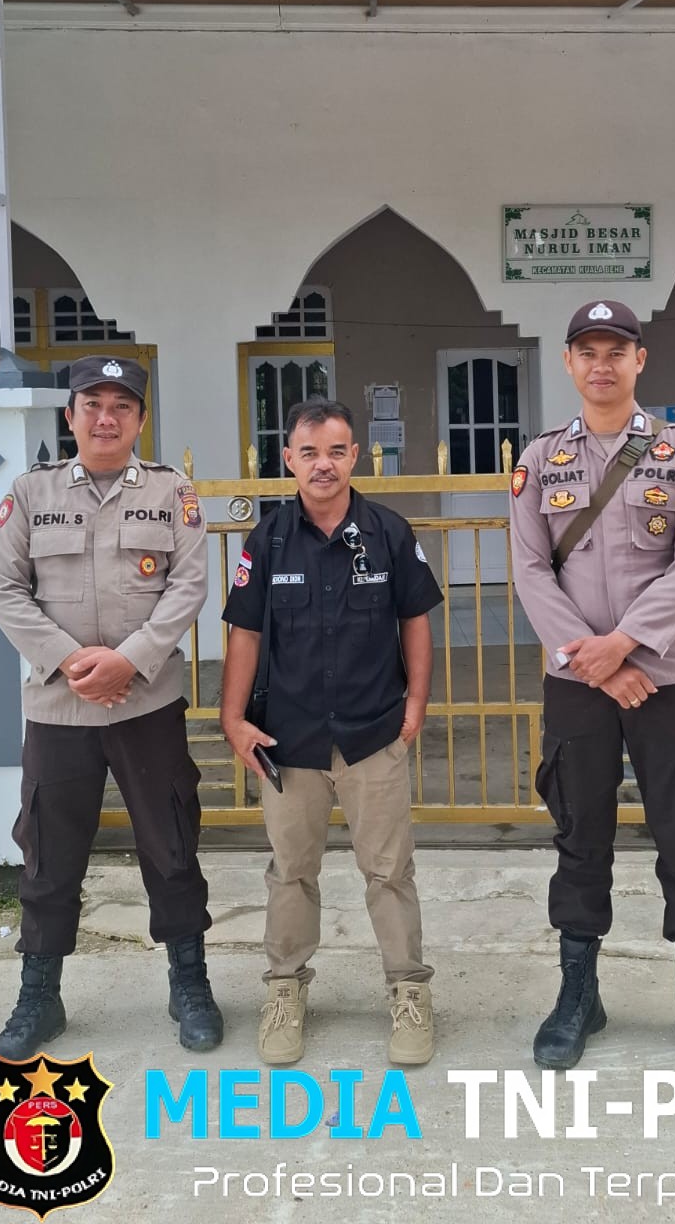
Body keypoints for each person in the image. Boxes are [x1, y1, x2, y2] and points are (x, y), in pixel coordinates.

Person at [509, 300, 675, 1075]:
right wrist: (596, 662)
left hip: (664, 679)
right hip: (578, 683)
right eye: (588, 352)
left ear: (640, 360)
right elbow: (531, 570)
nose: (602, 365)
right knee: (580, 835)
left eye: (616, 351)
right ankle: (578, 996)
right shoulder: (540, 460)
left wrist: (625, 646)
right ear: (569, 363)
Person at [0, 355, 221, 1072]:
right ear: (71, 416)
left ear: (141, 419)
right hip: (59, 708)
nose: (106, 418)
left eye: (122, 406)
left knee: (170, 844)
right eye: (93, 404)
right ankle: (39, 996)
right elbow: (4, 590)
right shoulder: (31, 493)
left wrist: (130, 660)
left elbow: (188, 586)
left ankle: (189, 985)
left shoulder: (173, 494)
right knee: (49, 856)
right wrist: (71, 662)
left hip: (146, 702)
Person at [220, 399, 443, 1068]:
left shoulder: (388, 533)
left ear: (355, 457)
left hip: (373, 733)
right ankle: (285, 990)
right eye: (310, 452)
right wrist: (233, 718)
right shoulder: (267, 540)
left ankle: (409, 992)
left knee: (390, 870)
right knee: (292, 872)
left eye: (337, 451)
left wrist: (416, 706)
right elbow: (245, 633)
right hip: (290, 740)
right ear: (288, 458)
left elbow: (415, 621)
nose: (324, 464)